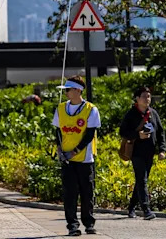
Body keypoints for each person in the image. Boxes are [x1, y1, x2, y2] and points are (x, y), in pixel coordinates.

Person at [53, 76, 101, 237]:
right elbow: (58, 131)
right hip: (67, 159)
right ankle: (72, 226)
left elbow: (89, 134)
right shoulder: (61, 108)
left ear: (78, 90)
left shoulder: (91, 109)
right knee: (69, 193)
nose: (66, 93)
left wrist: (75, 151)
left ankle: (89, 223)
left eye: (68, 89)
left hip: (84, 158)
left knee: (87, 192)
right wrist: (60, 150)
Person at [120, 86, 166, 220]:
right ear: (137, 98)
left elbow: (160, 132)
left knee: (141, 180)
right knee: (142, 180)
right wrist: (137, 135)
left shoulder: (153, 113)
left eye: (149, 96)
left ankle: (131, 208)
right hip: (136, 153)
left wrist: (162, 150)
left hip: (149, 152)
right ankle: (146, 210)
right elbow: (123, 132)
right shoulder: (131, 114)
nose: (147, 99)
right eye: (144, 96)